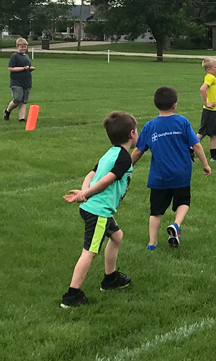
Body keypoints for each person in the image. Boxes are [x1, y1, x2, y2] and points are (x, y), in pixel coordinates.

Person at [60, 111, 138, 308]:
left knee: (117, 236)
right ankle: (72, 295)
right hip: (98, 211)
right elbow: (104, 181)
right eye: (137, 131)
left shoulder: (111, 153)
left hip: (95, 207)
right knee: (89, 251)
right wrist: (85, 194)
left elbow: (91, 173)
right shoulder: (123, 158)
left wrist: (84, 192)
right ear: (131, 134)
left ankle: (110, 279)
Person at [131, 86, 211, 250]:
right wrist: (205, 165)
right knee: (183, 202)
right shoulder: (182, 122)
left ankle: (152, 243)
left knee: (155, 211)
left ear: (156, 104)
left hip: (159, 177)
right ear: (175, 104)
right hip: (181, 174)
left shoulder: (150, 126)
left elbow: (139, 150)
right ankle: (176, 224)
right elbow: (196, 144)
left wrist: (126, 167)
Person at [197, 57, 216, 161]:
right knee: (202, 132)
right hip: (209, 111)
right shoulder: (210, 77)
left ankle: (214, 156)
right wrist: (206, 103)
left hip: (214, 110)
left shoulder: (212, 77)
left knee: (213, 134)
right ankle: (190, 149)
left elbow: (214, 94)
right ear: (208, 69)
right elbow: (202, 89)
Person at [4, 37, 35, 122]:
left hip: (27, 81)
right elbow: (11, 68)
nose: (24, 48)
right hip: (16, 82)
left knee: (24, 101)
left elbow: (27, 68)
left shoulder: (27, 57)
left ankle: (21, 118)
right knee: (17, 99)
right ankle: (7, 111)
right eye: (22, 47)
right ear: (17, 46)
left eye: (25, 47)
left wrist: (30, 69)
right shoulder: (15, 56)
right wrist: (22, 68)